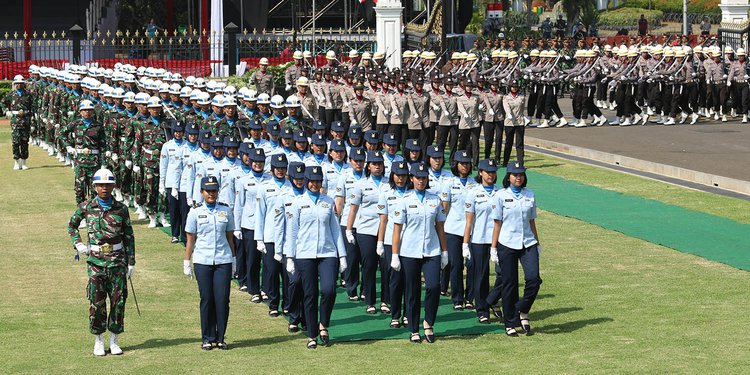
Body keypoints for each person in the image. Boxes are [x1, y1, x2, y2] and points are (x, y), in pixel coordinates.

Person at [67, 168, 135, 356]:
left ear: (113, 186)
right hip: (96, 262)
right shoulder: (86, 207)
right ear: (95, 187)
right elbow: (72, 225)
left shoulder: (121, 208)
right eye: (100, 185)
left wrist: (131, 262)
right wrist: (78, 243)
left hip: (117, 262)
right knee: (96, 302)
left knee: (118, 302)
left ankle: (114, 339)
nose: (104, 188)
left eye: (107, 185)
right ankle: (98, 339)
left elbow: (129, 236)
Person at [284, 166, 347, 349]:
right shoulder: (298, 202)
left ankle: (323, 324)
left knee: (329, 290)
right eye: (312, 180)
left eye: (318, 181)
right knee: (310, 294)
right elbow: (292, 231)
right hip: (305, 254)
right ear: (306, 181)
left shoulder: (328, 202)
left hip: (327, 252)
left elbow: (335, 230)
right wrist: (290, 257)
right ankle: (312, 334)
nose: (314, 184)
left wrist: (342, 255)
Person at [390, 162, 448, 344]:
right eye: (418, 178)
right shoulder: (405, 199)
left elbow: (440, 227)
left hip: (431, 249)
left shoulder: (435, 199)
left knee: (433, 286)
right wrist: (394, 254)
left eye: (424, 178)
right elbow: (397, 230)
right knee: (412, 291)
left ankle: (429, 322)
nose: (421, 181)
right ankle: (414, 328)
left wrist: (445, 251)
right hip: (410, 250)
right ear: (412, 179)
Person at [183, 176, 237, 350]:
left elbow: (230, 237)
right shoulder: (195, 212)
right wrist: (186, 261)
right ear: (201, 192)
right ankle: (207, 337)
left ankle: (220, 337)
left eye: (214, 190)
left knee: (222, 299)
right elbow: (190, 240)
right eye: (208, 191)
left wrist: (233, 259)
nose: (211, 194)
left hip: (223, 260)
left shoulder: (226, 211)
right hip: (203, 260)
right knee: (207, 298)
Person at [490, 162, 542, 337]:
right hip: (507, 243)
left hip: (528, 242)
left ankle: (523, 310)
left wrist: (537, 242)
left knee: (534, 279)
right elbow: (497, 223)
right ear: (509, 177)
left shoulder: (530, 195)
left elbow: (532, 221)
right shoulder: (500, 195)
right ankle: (510, 322)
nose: (518, 177)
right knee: (509, 284)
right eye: (514, 174)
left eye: (520, 175)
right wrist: (493, 247)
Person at [346, 150, 391, 314]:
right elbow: (353, 209)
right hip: (366, 229)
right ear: (368, 166)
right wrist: (349, 229)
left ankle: (386, 300)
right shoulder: (361, 184)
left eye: (379, 164)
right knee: (369, 265)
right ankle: (370, 300)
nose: (377, 167)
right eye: (374, 164)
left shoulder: (389, 183)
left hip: (386, 229)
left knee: (386, 266)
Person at [462, 159, 500, 324]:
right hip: (479, 239)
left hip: (499, 240)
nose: (490, 175)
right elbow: (469, 221)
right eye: (487, 172)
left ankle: (490, 300)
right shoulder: (473, 192)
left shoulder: (501, 192)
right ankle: (482, 310)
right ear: (481, 173)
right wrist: (465, 243)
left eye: (493, 172)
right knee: (481, 276)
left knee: (505, 274)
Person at [67, 99, 106, 203]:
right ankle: (81, 213)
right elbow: (62, 133)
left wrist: (103, 163)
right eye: (84, 110)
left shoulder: (98, 126)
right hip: (80, 161)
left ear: (93, 112)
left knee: (95, 189)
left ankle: (93, 212)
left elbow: (103, 144)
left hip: (94, 161)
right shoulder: (75, 124)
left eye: (89, 110)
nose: (87, 112)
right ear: (80, 112)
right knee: (80, 189)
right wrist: (68, 147)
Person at [3, 75, 34, 170]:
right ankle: (16, 162)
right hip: (15, 121)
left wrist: (33, 122)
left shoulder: (28, 94)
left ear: (23, 84)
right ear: (15, 84)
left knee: (25, 142)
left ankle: (24, 162)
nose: (19, 85)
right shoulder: (11, 94)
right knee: (16, 142)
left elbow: (32, 108)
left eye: (20, 83)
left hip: (26, 120)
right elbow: (3, 102)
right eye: (17, 83)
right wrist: (6, 110)